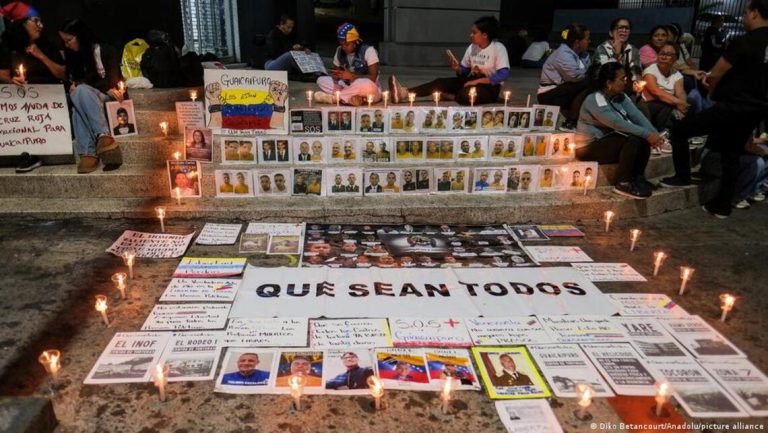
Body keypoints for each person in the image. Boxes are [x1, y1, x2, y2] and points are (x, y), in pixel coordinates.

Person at [661, 0, 768, 218]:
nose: (744, 17)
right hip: (756, 109)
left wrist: (711, 92)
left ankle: (682, 176)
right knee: (732, 154)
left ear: (755, 13)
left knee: (680, 130)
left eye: (746, 13)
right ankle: (722, 206)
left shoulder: (745, 41)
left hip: (732, 106)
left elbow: (716, 73)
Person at [577, 62, 662, 199]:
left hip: (610, 141)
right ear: (609, 83)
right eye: (622, 79)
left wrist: (654, 134)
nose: (626, 81)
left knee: (641, 137)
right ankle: (623, 182)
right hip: (588, 147)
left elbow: (637, 115)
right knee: (634, 137)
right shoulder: (595, 100)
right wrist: (647, 134)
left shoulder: (620, 96)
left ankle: (638, 177)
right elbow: (617, 123)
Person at [0, 2, 65, 173]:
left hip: (48, 102)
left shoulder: (46, 43)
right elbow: (3, 74)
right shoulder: (7, 45)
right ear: (22, 24)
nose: (40, 25)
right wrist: (11, 81)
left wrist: (40, 55)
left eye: (41, 21)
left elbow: (63, 74)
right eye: (35, 21)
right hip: (20, 102)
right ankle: (25, 154)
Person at [389, 16, 509, 106]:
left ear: (485, 35)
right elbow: (464, 71)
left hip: (490, 86)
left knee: (465, 95)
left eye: (474, 32)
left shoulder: (498, 48)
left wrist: (477, 81)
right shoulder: (472, 47)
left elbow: (503, 75)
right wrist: (458, 69)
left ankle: (455, 96)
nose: (470, 35)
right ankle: (404, 92)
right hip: (471, 81)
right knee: (440, 82)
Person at [538, 23, 592, 126]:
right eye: (587, 39)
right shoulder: (563, 54)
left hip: (565, 89)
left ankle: (576, 117)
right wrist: (590, 73)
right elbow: (575, 77)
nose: (589, 41)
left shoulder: (584, 54)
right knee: (589, 83)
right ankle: (571, 120)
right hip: (549, 94)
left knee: (590, 85)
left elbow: (585, 73)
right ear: (577, 42)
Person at [314, 23, 380, 106]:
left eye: (347, 44)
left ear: (355, 41)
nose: (344, 47)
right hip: (347, 86)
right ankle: (352, 98)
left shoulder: (368, 51)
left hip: (367, 89)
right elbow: (335, 73)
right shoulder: (339, 50)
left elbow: (373, 78)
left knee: (367, 84)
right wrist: (336, 74)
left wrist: (352, 76)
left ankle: (335, 98)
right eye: (342, 44)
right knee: (321, 80)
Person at [641, 43, 688, 131]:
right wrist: (678, 103)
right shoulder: (650, 70)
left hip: (670, 102)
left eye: (668, 55)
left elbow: (680, 92)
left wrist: (682, 104)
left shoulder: (676, 74)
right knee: (667, 106)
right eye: (662, 53)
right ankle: (664, 133)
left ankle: (680, 135)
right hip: (649, 104)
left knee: (690, 104)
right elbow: (655, 91)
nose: (664, 57)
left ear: (675, 59)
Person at [593, 18, 643, 96]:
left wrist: (637, 83)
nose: (624, 30)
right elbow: (607, 74)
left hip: (627, 89)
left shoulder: (633, 50)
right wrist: (617, 54)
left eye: (627, 28)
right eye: (620, 27)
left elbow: (636, 71)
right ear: (611, 33)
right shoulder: (602, 49)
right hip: (605, 89)